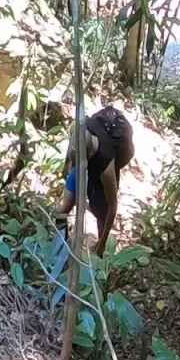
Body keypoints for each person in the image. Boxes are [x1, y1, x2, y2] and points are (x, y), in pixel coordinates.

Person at [57, 106, 134, 256]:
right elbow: (72, 144)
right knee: (61, 209)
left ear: (88, 156)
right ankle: (60, 248)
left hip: (98, 170)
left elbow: (112, 207)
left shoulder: (106, 167)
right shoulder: (80, 131)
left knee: (100, 212)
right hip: (84, 162)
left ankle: (98, 255)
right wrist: (67, 165)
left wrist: (102, 243)